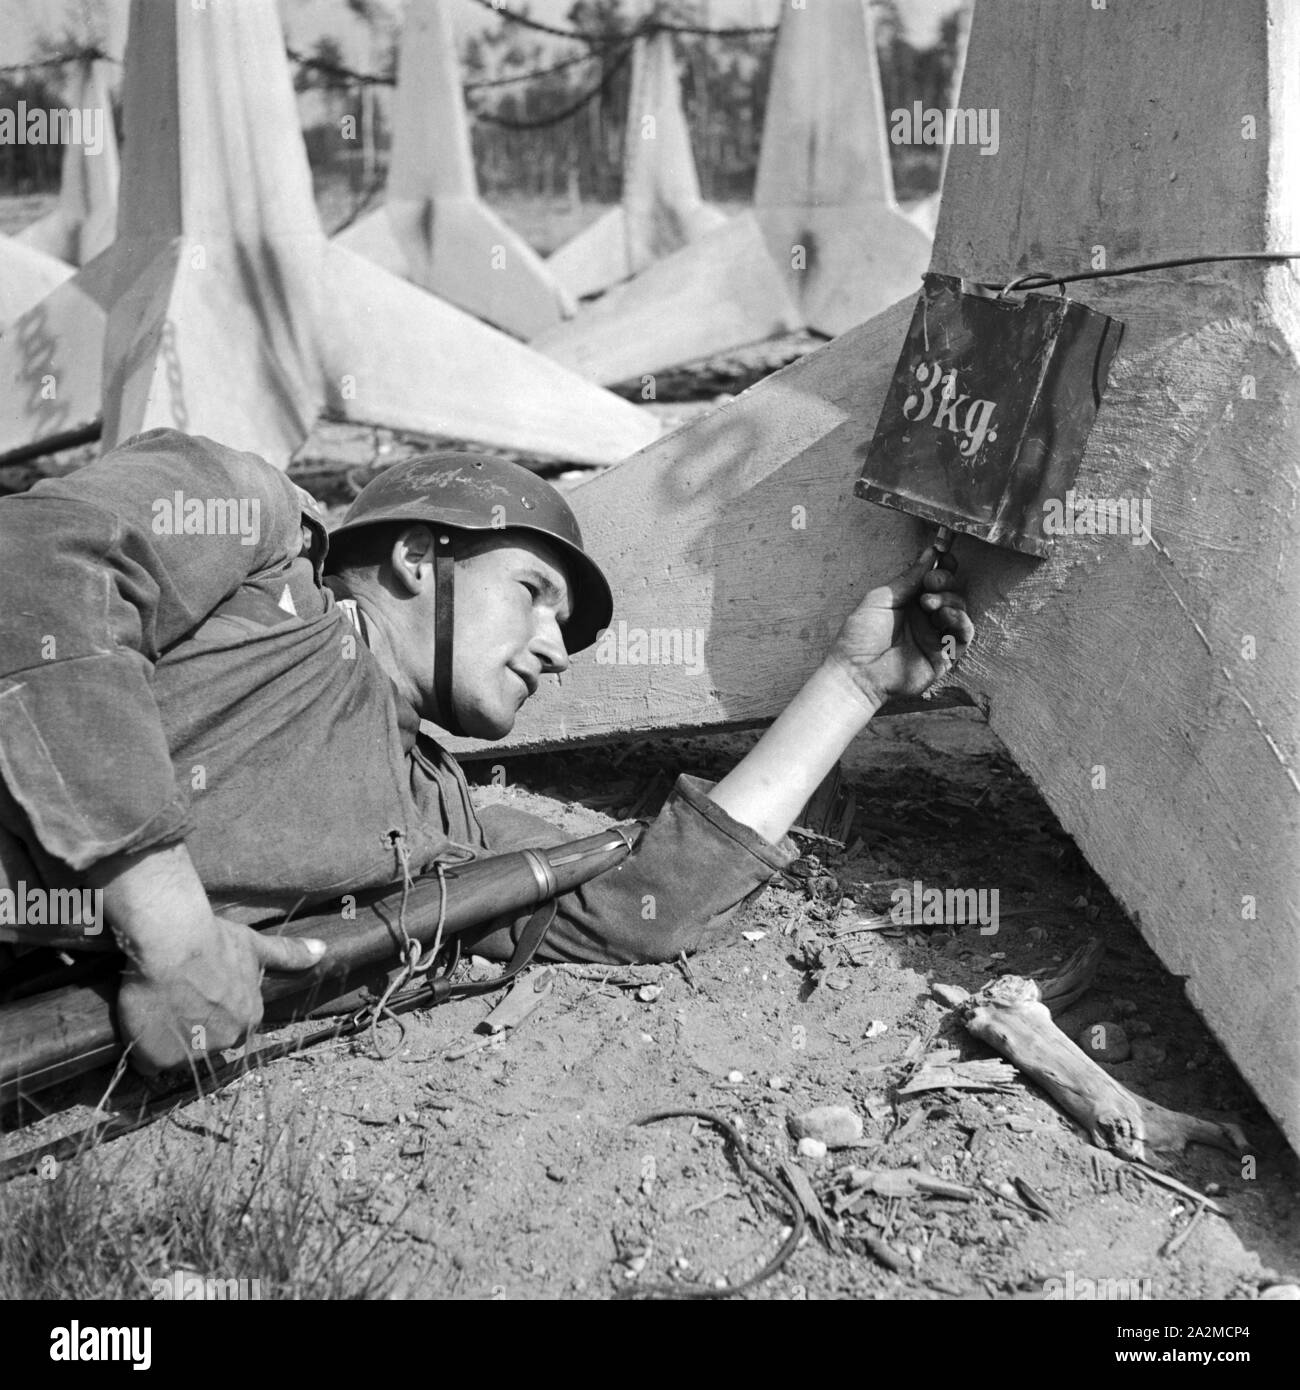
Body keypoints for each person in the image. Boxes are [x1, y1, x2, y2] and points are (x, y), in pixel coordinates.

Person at [0, 428, 972, 1075]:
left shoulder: (436, 811)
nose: (556, 647)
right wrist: (168, 925)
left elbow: (635, 908)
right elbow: (33, 569)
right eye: (534, 593)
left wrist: (854, 686)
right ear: (420, 558)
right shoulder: (254, 532)